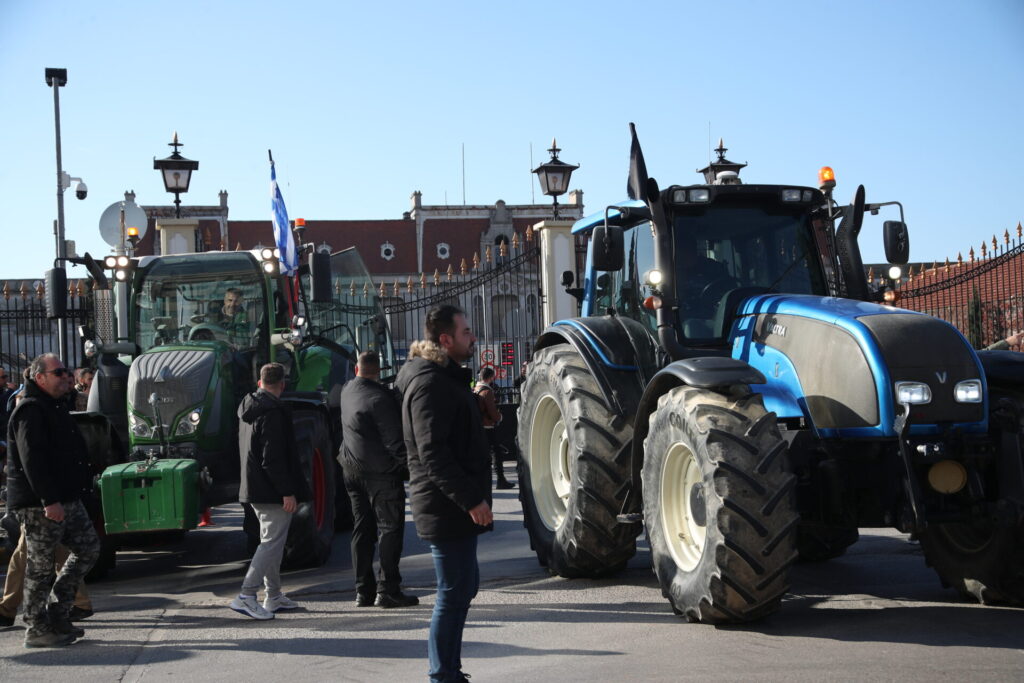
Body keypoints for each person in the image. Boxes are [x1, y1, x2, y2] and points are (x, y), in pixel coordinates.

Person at [395, 305, 493, 683]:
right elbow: (432, 453)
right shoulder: (429, 383)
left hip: (453, 506)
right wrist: (471, 500)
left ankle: (450, 670)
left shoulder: (444, 377)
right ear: (445, 339)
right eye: (466, 332)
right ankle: (442, 675)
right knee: (452, 595)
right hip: (447, 507)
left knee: (464, 588)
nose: (473, 337)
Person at [5, 353, 100, 647]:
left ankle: (60, 611)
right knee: (40, 567)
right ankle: (36, 627)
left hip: (68, 498)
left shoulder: (55, 405)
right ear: (40, 377)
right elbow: (33, 461)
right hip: (41, 504)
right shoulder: (31, 410)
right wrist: (50, 500)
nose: (65, 376)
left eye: (66, 371)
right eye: (58, 372)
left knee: (88, 548)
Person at [231, 362, 310, 620]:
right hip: (271, 491)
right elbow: (272, 459)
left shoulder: (248, 407)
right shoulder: (273, 413)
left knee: (271, 542)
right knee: (271, 544)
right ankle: (247, 594)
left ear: (259, 383)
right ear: (283, 385)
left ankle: (273, 595)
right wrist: (287, 491)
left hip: (253, 487)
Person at [339, 351, 417, 608]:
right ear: (379, 369)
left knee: (362, 530)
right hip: (380, 474)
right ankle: (388, 589)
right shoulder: (379, 399)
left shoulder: (347, 390)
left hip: (351, 470)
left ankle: (363, 590)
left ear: (356, 369)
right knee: (390, 529)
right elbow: (395, 443)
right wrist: (413, 470)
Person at [474, 367, 512, 489]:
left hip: (480, 426)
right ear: (490, 377)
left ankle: (482, 480)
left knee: (483, 453)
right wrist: (499, 417)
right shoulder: (487, 391)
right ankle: (501, 480)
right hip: (488, 426)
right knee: (497, 453)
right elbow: (492, 411)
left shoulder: (476, 388)